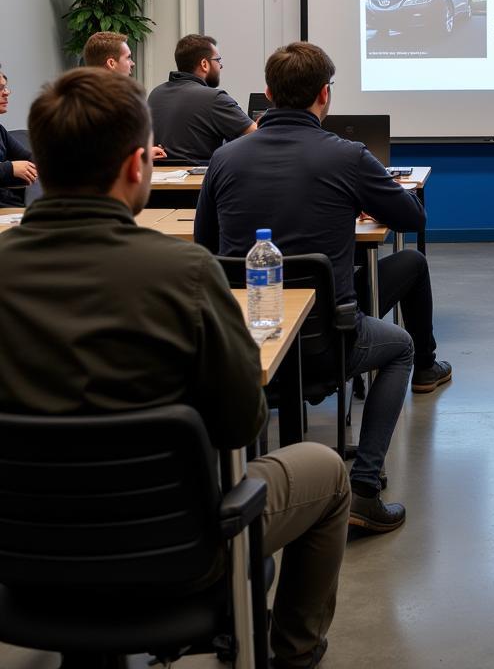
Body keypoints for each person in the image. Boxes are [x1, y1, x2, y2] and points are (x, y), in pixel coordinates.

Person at [0, 68, 348, 669]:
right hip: (176, 551)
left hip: (22, 554)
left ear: (42, 163)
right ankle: (292, 655)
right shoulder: (184, 275)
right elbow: (243, 420)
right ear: (138, 167)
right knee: (327, 471)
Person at [194, 41, 451, 533]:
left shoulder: (224, 159)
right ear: (325, 96)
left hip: (248, 341)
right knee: (400, 346)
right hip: (325, 341)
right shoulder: (348, 157)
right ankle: (365, 488)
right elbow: (413, 217)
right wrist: (362, 201)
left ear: (267, 94)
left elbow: (207, 246)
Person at [148, 33, 255, 164]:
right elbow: (257, 136)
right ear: (204, 64)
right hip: (198, 182)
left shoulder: (155, 94)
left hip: (156, 182)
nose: (221, 66)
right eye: (218, 61)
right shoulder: (215, 98)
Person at [83, 31, 167, 159]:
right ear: (111, 63)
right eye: (128, 57)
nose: (132, 63)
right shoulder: (115, 103)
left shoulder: (73, 98)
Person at [0, 63, 38, 206]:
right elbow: (13, 167)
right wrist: (10, 169)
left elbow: (28, 157)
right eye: (0, 88)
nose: (7, 92)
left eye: (5, 87)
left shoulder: (0, 130)